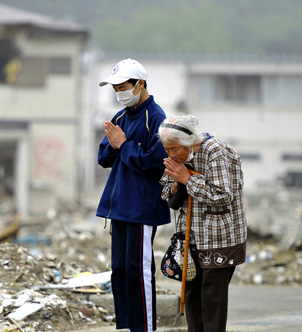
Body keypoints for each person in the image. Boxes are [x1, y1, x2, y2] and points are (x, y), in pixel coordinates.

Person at [96, 58, 170, 332]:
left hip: (141, 208)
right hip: (118, 208)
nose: (119, 92)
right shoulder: (120, 117)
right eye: (114, 88)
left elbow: (154, 163)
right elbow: (103, 157)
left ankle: (145, 328)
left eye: (122, 86)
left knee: (138, 271)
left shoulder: (157, 118)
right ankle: (128, 326)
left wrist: (123, 144)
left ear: (140, 84)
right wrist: (117, 145)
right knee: (120, 271)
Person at [158, 114, 247, 332]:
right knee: (192, 296)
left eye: (174, 149)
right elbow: (164, 190)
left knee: (212, 299)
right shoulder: (177, 158)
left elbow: (223, 195)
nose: (170, 155)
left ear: (189, 141)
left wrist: (188, 178)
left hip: (219, 237)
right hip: (189, 237)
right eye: (166, 149)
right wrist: (176, 184)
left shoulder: (214, 150)